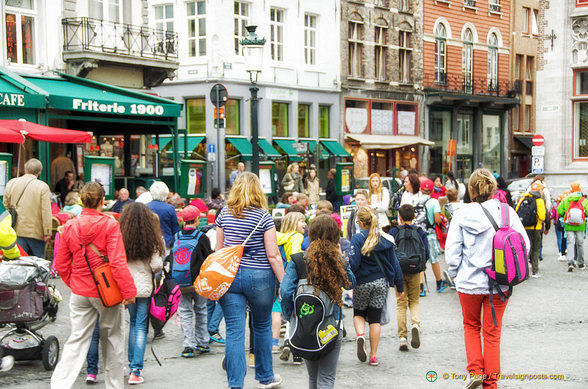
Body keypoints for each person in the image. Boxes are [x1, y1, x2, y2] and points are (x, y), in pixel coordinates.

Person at [445, 168, 529, 389]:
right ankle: (491, 384)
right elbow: (524, 245)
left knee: (471, 326)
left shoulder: (462, 214)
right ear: (493, 189)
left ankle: (475, 371)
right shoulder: (507, 212)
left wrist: (455, 275)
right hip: (500, 283)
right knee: (492, 334)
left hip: (469, 283)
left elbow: (452, 253)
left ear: (471, 190)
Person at [51, 182, 137, 389]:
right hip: (106, 291)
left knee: (76, 341)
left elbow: (61, 264)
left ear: (82, 200)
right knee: (113, 340)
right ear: (101, 201)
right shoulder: (109, 225)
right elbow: (116, 262)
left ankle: (59, 384)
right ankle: (114, 385)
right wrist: (128, 291)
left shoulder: (70, 226)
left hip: (80, 291)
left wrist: (74, 283)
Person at [215, 172, 285, 389]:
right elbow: (273, 255)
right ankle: (265, 377)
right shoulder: (264, 217)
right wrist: (283, 281)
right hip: (260, 277)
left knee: (234, 331)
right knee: (262, 326)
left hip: (231, 276)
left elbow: (218, 251)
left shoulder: (224, 215)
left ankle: (235, 384)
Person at [280, 215, 355, 388]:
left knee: (313, 378)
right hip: (331, 325)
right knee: (326, 378)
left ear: (311, 235)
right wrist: (341, 258)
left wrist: (290, 316)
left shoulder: (299, 260)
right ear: (335, 236)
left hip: (305, 324)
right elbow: (350, 283)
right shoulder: (336, 260)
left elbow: (285, 291)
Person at [348, 206, 404, 366]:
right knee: (375, 319)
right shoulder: (385, 239)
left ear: (360, 222)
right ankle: (373, 356)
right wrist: (399, 287)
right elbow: (395, 265)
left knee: (358, 313)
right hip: (381, 283)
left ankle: (360, 336)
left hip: (362, 283)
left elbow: (354, 263)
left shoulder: (357, 239)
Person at [119, 202, 165, 384]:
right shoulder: (150, 239)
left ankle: (130, 363)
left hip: (127, 287)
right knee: (140, 326)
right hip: (144, 287)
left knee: (132, 324)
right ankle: (135, 370)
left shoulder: (121, 238)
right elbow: (157, 266)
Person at [172, 205, 214, 358]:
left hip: (180, 281)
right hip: (198, 280)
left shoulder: (176, 236)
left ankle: (188, 345)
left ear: (183, 220)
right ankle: (203, 342)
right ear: (197, 220)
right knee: (201, 309)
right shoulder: (201, 237)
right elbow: (208, 257)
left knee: (184, 312)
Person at [390, 204, 429, 351]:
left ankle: (402, 338)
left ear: (399, 217)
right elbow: (427, 252)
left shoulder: (394, 232)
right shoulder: (420, 232)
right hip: (414, 270)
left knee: (401, 304)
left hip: (398, 271)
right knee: (414, 301)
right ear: (414, 216)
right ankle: (415, 324)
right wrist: (420, 266)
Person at [3, 158, 52, 258]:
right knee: (38, 263)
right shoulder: (43, 187)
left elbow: (5, 206)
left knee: (19, 261)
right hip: (36, 232)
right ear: (39, 172)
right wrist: (47, 231)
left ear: (25, 168)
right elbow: (46, 211)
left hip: (16, 230)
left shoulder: (11, 183)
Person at [275, 212, 306, 364]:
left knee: (290, 312)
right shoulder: (297, 237)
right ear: (294, 223)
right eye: (301, 221)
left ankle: (288, 342)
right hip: (296, 275)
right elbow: (295, 255)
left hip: (283, 274)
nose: (305, 224)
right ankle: (295, 348)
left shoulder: (280, 238)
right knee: (298, 313)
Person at [417, 179, 449, 295]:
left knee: (420, 260)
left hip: (418, 234)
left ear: (421, 189)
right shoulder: (434, 202)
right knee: (434, 259)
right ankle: (439, 282)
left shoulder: (416, 201)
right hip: (430, 234)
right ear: (431, 190)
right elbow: (437, 219)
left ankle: (420, 287)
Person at [515, 182, 548, 278]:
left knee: (525, 248)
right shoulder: (539, 201)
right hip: (535, 227)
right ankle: (534, 271)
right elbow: (542, 216)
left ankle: (523, 271)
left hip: (524, 228)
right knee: (535, 249)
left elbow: (517, 211)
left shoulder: (523, 198)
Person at [557, 182, 588, 272]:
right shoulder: (584, 200)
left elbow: (560, 211)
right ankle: (580, 263)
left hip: (569, 224)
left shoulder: (566, 199)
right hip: (580, 225)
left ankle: (570, 262)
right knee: (580, 243)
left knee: (570, 243)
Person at [147, 181, 180, 252]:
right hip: (167, 243)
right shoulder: (169, 208)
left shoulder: (145, 207)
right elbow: (176, 229)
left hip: (149, 243)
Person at [552, 194, 567, 262]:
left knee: (559, 237)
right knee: (565, 237)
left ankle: (560, 250)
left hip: (557, 223)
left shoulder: (555, 207)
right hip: (564, 223)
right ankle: (565, 249)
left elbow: (552, 216)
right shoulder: (566, 205)